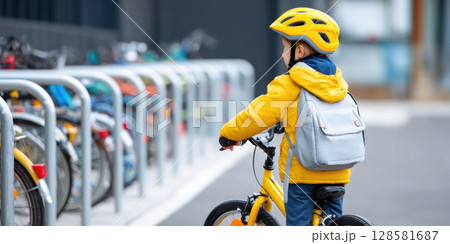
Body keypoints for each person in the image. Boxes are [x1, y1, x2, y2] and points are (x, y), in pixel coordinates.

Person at [219, 7, 350, 226]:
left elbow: (259, 113)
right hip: (338, 170)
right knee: (331, 226)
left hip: (303, 176)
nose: (282, 53)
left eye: (285, 47)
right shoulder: (337, 81)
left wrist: (229, 133)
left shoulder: (291, 82)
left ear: (299, 52)